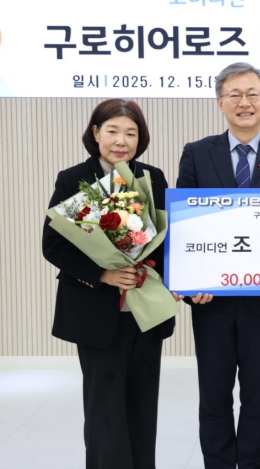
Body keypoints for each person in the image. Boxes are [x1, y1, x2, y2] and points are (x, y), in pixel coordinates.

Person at [174, 62, 260, 469]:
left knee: (258, 397)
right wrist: (188, 282)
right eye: (234, 94)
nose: (244, 102)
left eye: (252, 94)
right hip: (210, 301)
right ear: (220, 103)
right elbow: (185, 225)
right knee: (213, 397)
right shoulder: (197, 153)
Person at [42, 99, 175, 469]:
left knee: (143, 407)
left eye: (131, 133)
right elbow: (54, 245)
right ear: (96, 133)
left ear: (140, 138)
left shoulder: (153, 177)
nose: (121, 141)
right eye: (113, 131)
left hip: (145, 311)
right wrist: (103, 274)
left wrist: (170, 278)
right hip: (96, 312)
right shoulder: (73, 179)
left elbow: (169, 241)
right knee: (105, 410)